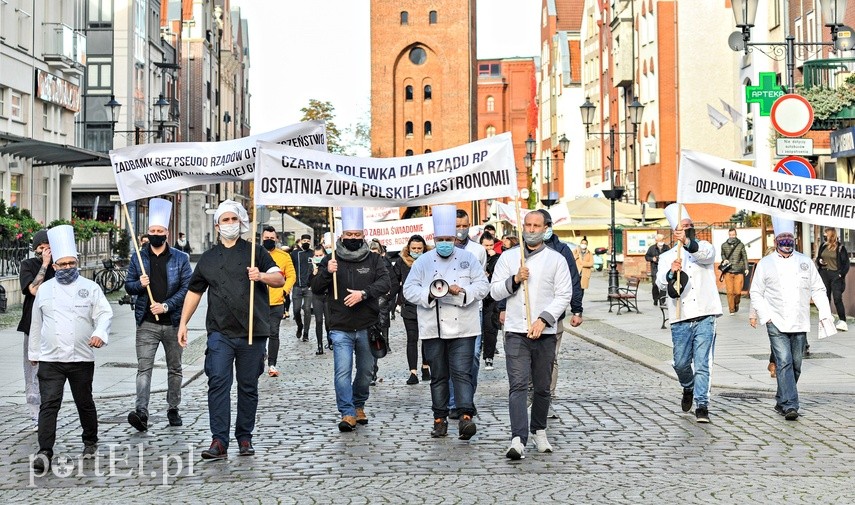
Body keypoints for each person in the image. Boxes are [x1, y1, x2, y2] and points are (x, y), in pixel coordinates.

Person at [177, 200, 284, 460]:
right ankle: (219, 440)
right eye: (224, 221)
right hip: (220, 332)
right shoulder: (209, 258)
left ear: (242, 223)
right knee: (218, 384)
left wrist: (261, 276)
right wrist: (183, 322)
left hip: (252, 332)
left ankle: (244, 438)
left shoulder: (255, 252)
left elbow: (278, 278)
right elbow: (194, 291)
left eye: (233, 220)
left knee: (248, 387)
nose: (229, 225)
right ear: (217, 226)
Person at [28, 225, 112, 472]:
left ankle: (90, 440)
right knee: (49, 403)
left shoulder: (91, 288)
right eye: (62, 265)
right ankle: (44, 451)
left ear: (77, 262)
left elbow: (105, 313)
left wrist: (99, 333)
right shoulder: (44, 290)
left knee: (84, 401)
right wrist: (34, 354)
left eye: (70, 264)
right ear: (54, 266)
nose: (66, 269)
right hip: (50, 358)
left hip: (82, 357)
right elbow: (36, 323)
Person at [490, 210, 573, 459]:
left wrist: (544, 319)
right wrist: (514, 279)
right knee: (517, 384)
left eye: (537, 225)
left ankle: (539, 429)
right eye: (528, 224)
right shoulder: (508, 258)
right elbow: (494, 292)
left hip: (544, 332)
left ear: (546, 228)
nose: (532, 229)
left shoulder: (556, 259)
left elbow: (563, 295)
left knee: (542, 386)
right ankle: (518, 438)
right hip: (516, 331)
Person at [403, 205, 489, 440]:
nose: (445, 242)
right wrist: (430, 294)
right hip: (434, 327)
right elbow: (408, 290)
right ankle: (439, 419)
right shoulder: (423, 262)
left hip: (464, 325)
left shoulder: (468, 259)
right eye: (440, 239)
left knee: (462, 373)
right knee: (439, 376)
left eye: (448, 239)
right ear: (434, 238)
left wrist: (463, 291)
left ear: (454, 238)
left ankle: (465, 417)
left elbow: (483, 286)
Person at [310, 208, 391, 432]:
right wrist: (326, 271)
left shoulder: (374, 259)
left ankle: (358, 404)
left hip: (367, 326)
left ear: (363, 234)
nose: (353, 239)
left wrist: (363, 294)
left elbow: (386, 283)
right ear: (341, 236)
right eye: (349, 235)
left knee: (366, 372)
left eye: (357, 235)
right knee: (342, 371)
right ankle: (347, 412)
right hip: (340, 327)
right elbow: (316, 289)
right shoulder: (331, 258)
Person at [750, 217, 833, 421]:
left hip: (800, 320)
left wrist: (824, 312)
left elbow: (818, 288)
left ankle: (781, 399)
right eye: (783, 237)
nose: (787, 241)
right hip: (775, 321)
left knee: (796, 364)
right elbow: (756, 292)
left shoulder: (805, 262)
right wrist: (765, 316)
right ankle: (790, 405)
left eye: (789, 237)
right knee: (784, 361)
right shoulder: (766, 263)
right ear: (776, 241)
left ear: (793, 238)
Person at [124, 198, 193, 431]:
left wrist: (166, 306)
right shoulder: (138, 258)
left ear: (166, 232)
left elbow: (186, 289)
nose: (155, 234)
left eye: (159, 231)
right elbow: (128, 286)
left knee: (175, 367)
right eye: (152, 231)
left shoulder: (181, 259)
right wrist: (140, 284)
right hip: (146, 323)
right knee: (144, 368)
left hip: (173, 322)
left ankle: (173, 408)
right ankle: (141, 411)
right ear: (148, 233)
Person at [656, 204, 722, 423]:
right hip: (681, 316)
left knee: (703, 363)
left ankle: (702, 405)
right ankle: (688, 386)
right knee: (681, 363)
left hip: (705, 313)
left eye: (689, 226)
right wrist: (670, 273)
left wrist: (687, 243)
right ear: (674, 230)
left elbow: (704, 255)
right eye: (683, 227)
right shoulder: (666, 256)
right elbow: (660, 283)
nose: (687, 229)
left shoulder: (704, 247)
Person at [537, 209, 584, 420]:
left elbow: (574, 281)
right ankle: (530, 396)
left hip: (555, 314)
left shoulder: (562, 250)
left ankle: (548, 398)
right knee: (527, 359)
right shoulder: (522, 250)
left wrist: (577, 309)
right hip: (527, 313)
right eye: (539, 225)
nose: (543, 229)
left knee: (550, 358)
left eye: (547, 225)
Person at [18, 229, 54, 430]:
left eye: (49, 248)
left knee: (51, 372)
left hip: (54, 325)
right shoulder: (28, 265)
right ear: (35, 249)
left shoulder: (58, 266)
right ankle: (35, 414)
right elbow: (33, 289)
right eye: (42, 248)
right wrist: (45, 265)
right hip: (32, 325)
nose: (45, 251)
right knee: (32, 370)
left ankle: (48, 412)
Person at [392, 234, 432, 384]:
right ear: (408, 248)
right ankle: (413, 372)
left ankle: (425, 366)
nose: (416, 251)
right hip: (408, 306)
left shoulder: (430, 261)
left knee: (426, 338)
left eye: (419, 248)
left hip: (426, 304)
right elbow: (394, 282)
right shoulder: (401, 262)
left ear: (424, 248)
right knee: (412, 339)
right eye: (413, 248)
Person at [261, 226, 296, 376]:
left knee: (273, 333)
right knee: (259, 333)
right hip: (258, 302)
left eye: (271, 238)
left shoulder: (283, 256)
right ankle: (259, 357)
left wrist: (284, 291)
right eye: (266, 238)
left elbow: (291, 276)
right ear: (261, 238)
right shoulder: (254, 254)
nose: (269, 240)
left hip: (276, 302)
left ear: (276, 239)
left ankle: (272, 364)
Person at [368, 239, 394, 386]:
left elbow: (392, 282)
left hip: (380, 302)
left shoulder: (385, 264)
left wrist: (386, 297)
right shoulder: (363, 264)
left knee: (376, 335)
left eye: (375, 252)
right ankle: (368, 370)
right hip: (366, 303)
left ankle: (373, 371)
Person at [816, 227, 849, 331]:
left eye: (826, 233)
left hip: (836, 275)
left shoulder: (840, 248)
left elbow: (846, 264)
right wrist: (819, 261)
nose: (824, 235)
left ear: (831, 234)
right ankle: (827, 318)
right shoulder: (823, 245)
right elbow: (818, 258)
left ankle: (843, 321)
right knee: (825, 298)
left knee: (837, 298)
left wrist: (841, 275)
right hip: (824, 274)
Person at [480, 233, 501, 371]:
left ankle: (489, 357)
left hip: (491, 299)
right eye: (485, 245)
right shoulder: (475, 256)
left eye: (490, 245)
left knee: (490, 328)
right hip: (478, 298)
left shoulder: (498, 258)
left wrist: (493, 257)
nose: (488, 248)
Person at [290, 233, 314, 341]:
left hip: (309, 287)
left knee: (308, 309)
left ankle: (306, 333)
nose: (306, 243)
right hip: (297, 286)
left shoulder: (312, 254)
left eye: (308, 241)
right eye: (304, 241)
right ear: (300, 241)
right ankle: (300, 326)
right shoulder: (294, 254)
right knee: (296, 310)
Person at [720, 228, 749, 315]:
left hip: (739, 270)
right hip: (728, 271)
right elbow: (722, 254)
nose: (732, 236)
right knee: (729, 292)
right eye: (730, 235)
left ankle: (736, 304)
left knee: (737, 292)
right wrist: (724, 259)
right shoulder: (724, 245)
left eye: (733, 235)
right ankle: (731, 309)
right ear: (728, 235)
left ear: (736, 235)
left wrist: (746, 268)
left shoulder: (741, 245)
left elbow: (744, 257)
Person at [309, 244, 330, 355]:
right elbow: (309, 282)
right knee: (318, 321)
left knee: (328, 321)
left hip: (327, 295)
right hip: (317, 296)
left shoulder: (328, 265)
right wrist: (314, 272)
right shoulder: (312, 266)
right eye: (316, 255)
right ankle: (319, 345)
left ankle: (330, 340)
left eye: (320, 255)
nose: (318, 257)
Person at [645, 234, 670, 305]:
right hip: (654, 269)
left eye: (662, 239)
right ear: (656, 241)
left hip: (663, 269)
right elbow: (647, 256)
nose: (661, 241)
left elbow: (670, 256)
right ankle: (655, 299)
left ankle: (662, 300)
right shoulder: (652, 248)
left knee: (663, 284)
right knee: (655, 285)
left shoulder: (667, 248)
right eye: (660, 240)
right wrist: (652, 258)